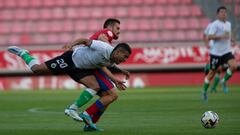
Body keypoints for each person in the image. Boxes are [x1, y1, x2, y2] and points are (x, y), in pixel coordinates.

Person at [7, 39, 131, 130]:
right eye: (124, 56)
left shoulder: (110, 59)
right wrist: (71, 45)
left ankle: (72, 109)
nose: (124, 60)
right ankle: (23, 53)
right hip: (70, 59)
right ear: (118, 51)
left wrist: (117, 77)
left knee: (95, 86)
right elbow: (85, 41)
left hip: (80, 70)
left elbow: (104, 66)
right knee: (37, 69)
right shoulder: (103, 47)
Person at [62, 18, 130, 131]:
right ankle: (87, 114)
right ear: (110, 27)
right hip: (92, 68)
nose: (119, 31)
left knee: (107, 98)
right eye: (117, 28)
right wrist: (115, 77)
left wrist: (119, 72)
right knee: (112, 94)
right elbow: (101, 43)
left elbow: (104, 61)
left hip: (93, 66)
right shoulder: (107, 33)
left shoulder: (107, 41)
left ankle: (91, 123)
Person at [202, 6, 238, 101]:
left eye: (225, 12)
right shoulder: (214, 25)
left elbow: (229, 34)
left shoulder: (228, 24)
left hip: (226, 52)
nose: (224, 14)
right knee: (211, 74)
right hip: (216, 54)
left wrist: (232, 39)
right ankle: (204, 91)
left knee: (234, 66)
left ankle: (223, 81)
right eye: (221, 12)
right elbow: (209, 37)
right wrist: (221, 36)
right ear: (217, 14)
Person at [203, 23, 225, 93]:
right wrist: (207, 44)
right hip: (213, 50)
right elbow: (204, 35)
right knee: (216, 69)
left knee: (220, 69)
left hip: (221, 49)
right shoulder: (210, 25)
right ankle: (208, 67)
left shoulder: (225, 25)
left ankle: (213, 88)